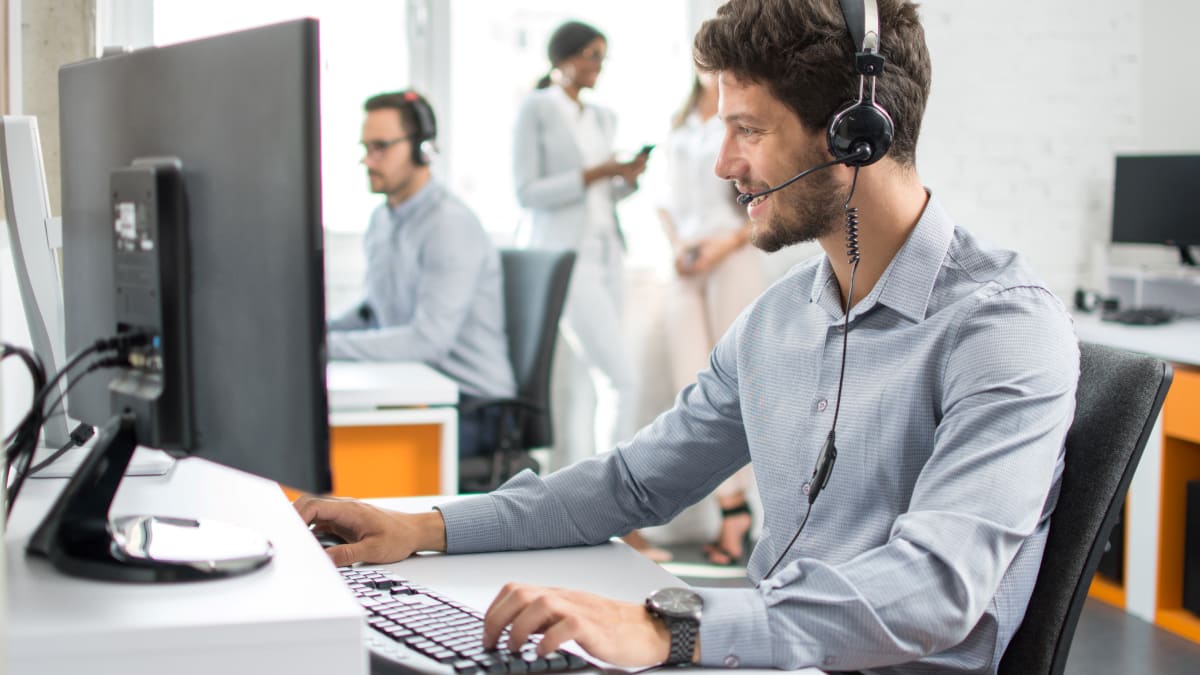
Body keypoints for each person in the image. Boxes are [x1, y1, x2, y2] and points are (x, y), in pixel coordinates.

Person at [297, 1, 1079, 671]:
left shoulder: (1002, 326)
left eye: (748, 129)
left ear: (853, 136)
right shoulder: (779, 321)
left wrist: (666, 625)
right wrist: (424, 526)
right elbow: (630, 485)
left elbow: (935, 587)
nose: (724, 163)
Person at [510, 20, 666, 560]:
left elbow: (606, 197)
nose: (597, 66)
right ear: (564, 58)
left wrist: (626, 179)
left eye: (603, 56)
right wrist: (600, 171)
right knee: (619, 377)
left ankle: (574, 512)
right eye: (590, 56)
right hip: (564, 259)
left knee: (587, 388)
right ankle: (616, 512)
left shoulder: (602, 115)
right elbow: (528, 192)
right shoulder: (537, 109)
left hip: (607, 254)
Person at [328, 90, 516, 460]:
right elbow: (373, 311)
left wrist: (323, 350)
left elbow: (427, 341)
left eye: (381, 147)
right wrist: (315, 333)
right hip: (417, 392)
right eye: (365, 147)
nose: (368, 160)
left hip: (473, 408)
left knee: (346, 458)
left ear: (423, 150)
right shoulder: (382, 219)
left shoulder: (449, 226)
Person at [656, 69, 769, 567]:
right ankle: (731, 505)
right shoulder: (680, 121)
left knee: (738, 381)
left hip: (732, 253)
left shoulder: (742, 120)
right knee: (694, 385)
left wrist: (721, 246)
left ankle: (739, 512)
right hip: (689, 261)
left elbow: (766, 192)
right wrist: (680, 247)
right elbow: (663, 201)